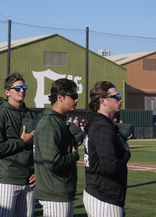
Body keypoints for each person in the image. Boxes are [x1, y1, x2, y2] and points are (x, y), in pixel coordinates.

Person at [0, 72, 36, 217]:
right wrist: (21, 142)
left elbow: (37, 148)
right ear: (7, 92)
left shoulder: (30, 114)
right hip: (6, 178)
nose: (22, 90)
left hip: (29, 179)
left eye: (24, 87)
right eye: (17, 88)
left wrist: (38, 170)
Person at [83, 81, 130, 217]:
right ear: (103, 100)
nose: (120, 100)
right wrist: (127, 154)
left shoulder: (101, 124)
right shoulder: (102, 127)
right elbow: (111, 167)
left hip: (102, 195)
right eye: (116, 96)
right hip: (104, 196)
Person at [34, 79, 80, 217]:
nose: (77, 100)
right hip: (55, 192)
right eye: (74, 96)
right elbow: (52, 162)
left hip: (59, 191)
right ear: (60, 97)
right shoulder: (50, 123)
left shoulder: (58, 120)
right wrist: (74, 155)